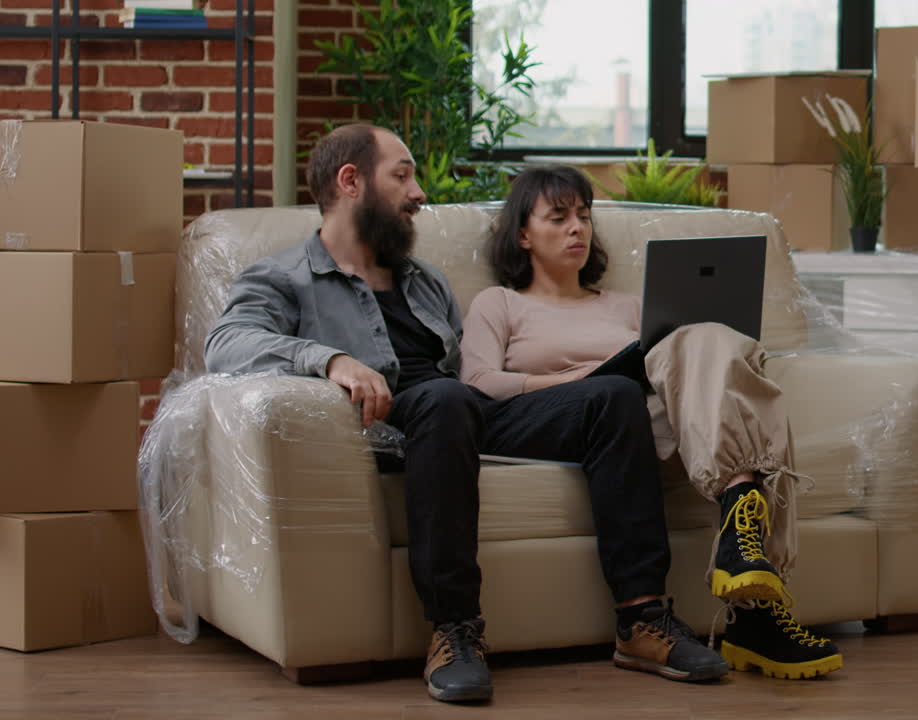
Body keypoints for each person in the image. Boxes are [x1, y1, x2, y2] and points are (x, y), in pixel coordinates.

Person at [204, 125, 727, 704]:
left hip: (461, 417)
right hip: (388, 424)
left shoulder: (422, 280)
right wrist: (329, 359)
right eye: (401, 175)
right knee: (445, 399)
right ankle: (454, 628)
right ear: (350, 182)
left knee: (612, 395)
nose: (419, 192)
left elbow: (468, 372)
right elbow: (225, 344)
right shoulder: (283, 277)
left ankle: (642, 620)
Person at [460, 165, 844, 680]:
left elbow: (679, 376)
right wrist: (581, 382)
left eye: (583, 216)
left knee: (713, 344)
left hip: (645, 429)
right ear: (523, 234)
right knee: (631, 384)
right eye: (559, 217)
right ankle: (757, 610)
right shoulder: (500, 303)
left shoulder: (627, 306)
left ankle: (746, 550)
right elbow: (479, 381)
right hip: (562, 423)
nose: (578, 227)